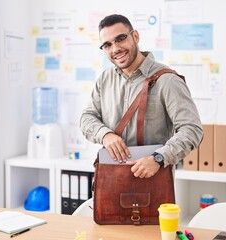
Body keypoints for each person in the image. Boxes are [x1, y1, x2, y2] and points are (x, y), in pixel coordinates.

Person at [80, 14, 203, 179]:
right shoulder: (105, 79)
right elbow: (87, 117)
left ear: (135, 36)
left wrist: (159, 158)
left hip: (154, 180)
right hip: (112, 180)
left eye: (121, 39)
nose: (115, 49)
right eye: (107, 45)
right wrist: (105, 135)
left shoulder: (167, 79)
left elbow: (192, 129)